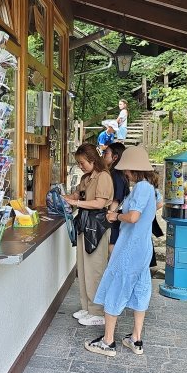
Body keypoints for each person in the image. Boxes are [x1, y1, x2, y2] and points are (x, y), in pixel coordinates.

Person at [84, 146, 156, 356]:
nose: (125, 173)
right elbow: (154, 207)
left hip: (130, 248)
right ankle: (136, 339)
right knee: (141, 289)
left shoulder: (141, 187)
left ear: (133, 169)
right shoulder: (151, 188)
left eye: (126, 169)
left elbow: (133, 217)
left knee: (116, 288)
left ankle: (108, 341)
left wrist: (116, 216)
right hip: (143, 247)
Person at [63, 143, 114, 327]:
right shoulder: (86, 178)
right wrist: (66, 197)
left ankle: (98, 311)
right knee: (84, 268)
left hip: (97, 226)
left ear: (93, 160)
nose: (80, 166)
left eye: (82, 163)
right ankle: (87, 307)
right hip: (84, 223)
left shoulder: (103, 177)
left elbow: (99, 203)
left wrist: (76, 203)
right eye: (78, 163)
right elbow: (77, 194)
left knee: (95, 269)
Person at [103, 142, 129, 255]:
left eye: (106, 153)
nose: (103, 155)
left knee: (112, 246)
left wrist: (110, 217)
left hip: (114, 217)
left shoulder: (116, 175)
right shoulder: (118, 174)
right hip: (117, 217)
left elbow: (115, 200)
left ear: (115, 157)